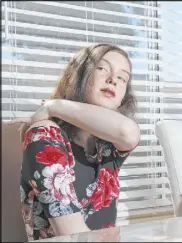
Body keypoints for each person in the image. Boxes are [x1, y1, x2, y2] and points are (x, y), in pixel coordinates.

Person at [7, 43, 140, 240]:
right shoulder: (45, 135)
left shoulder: (107, 145)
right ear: (79, 75)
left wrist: (54, 106)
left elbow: (128, 132)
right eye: (102, 68)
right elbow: (75, 237)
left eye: (122, 78)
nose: (113, 80)